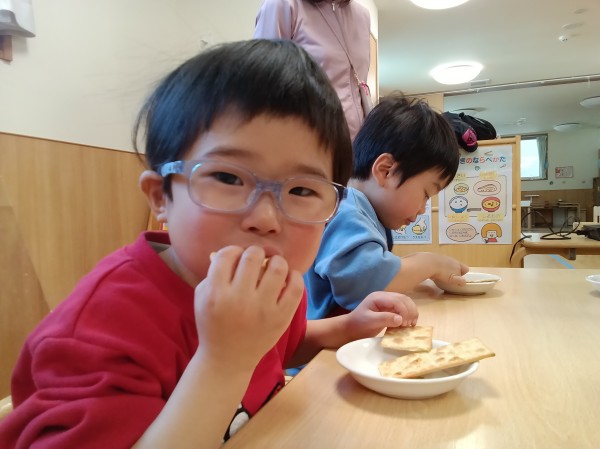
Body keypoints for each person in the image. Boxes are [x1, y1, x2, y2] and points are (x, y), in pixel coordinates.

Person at [0, 40, 418, 449]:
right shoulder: (95, 334)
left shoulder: (265, 287)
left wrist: (345, 327)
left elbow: (282, 344)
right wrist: (224, 361)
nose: (265, 219)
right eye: (228, 178)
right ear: (161, 197)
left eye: (303, 190)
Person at [305, 93, 470, 321]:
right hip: (320, 342)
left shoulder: (360, 210)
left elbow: (374, 270)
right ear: (386, 170)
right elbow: (363, 285)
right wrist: (430, 264)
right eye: (425, 194)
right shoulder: (347, 211)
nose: (423, 209)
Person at [254, 0, 371, 140]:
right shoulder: (283, 5)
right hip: (307, 141)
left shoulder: (362, 16)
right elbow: (263, 89)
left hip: (359, 145)